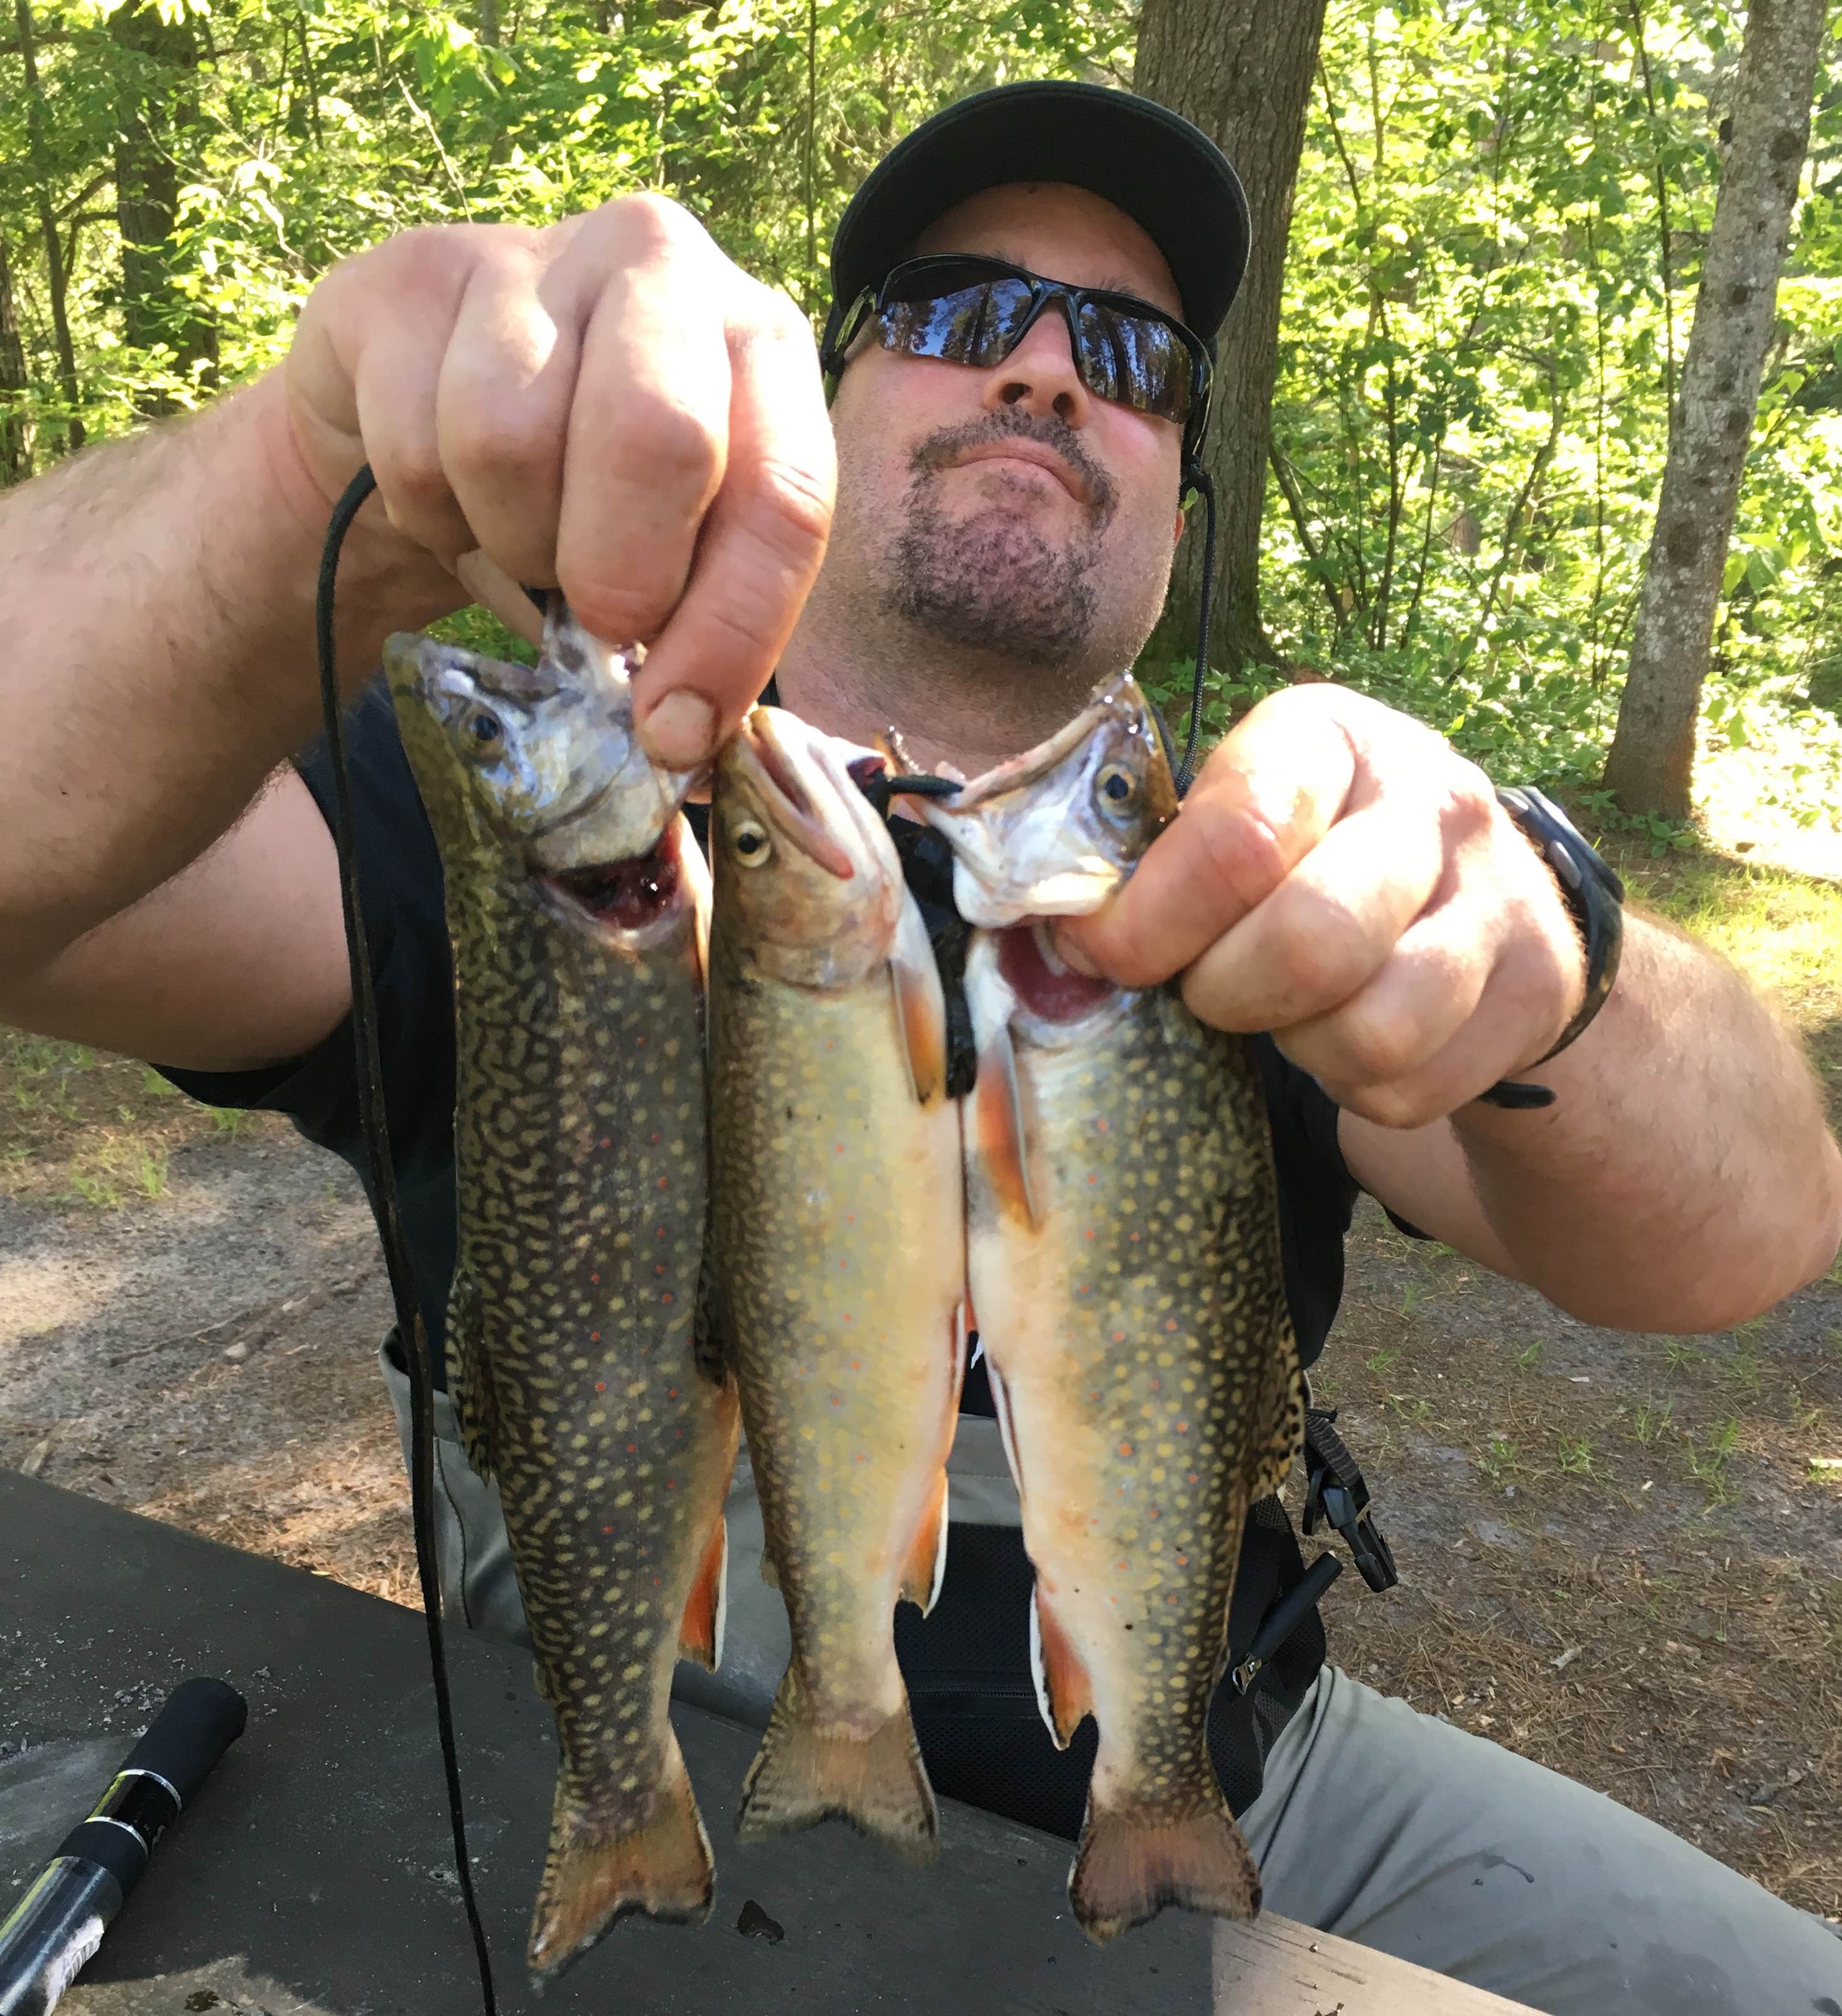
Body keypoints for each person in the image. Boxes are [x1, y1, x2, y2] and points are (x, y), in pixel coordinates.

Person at [2, 78, 1838, 2015]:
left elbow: (1752, 1236)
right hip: (640, 1761)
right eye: (965, 314)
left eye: (1128, 355)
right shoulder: (559, 827)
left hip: (1224, 1764)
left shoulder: (1274, 876)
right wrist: (302, 474)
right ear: (818, 396)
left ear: (1178, 500)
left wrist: (1558, 941)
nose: (1047, 374)